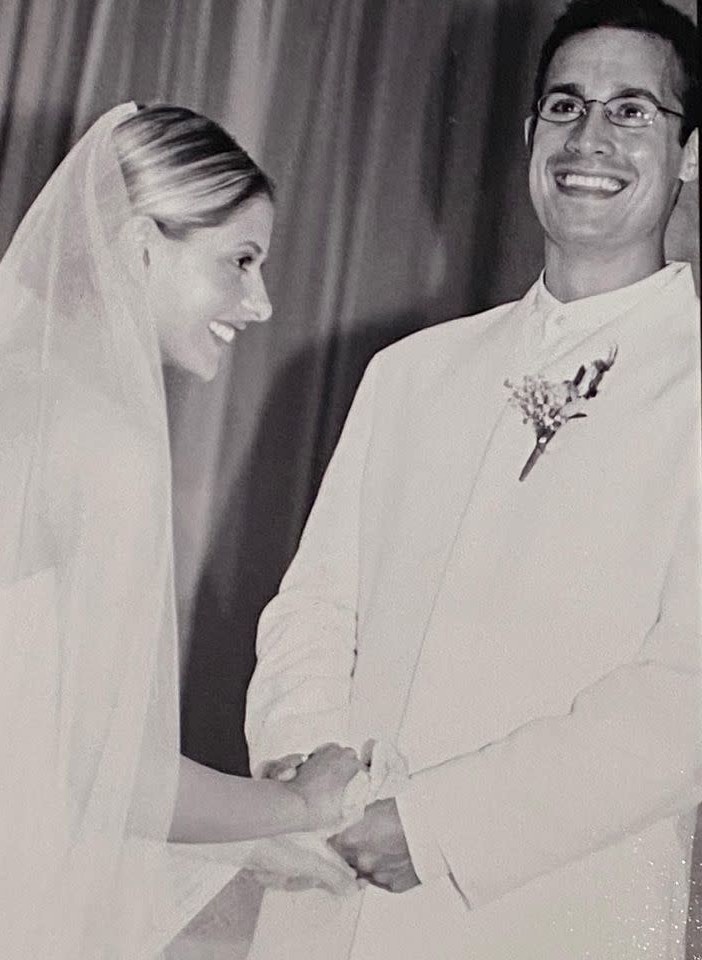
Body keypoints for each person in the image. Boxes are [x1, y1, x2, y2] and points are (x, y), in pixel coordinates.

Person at [244, 1, 701, 957]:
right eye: (565, 105)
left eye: (631, 112)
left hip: (554, 904)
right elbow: (315, 608)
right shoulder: (410, 371)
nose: (589, 138)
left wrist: (440, 829)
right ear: (530, 133)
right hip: (335, 897)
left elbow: (685, 690)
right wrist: (308, 769)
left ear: (691, 153)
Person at [0, 103, 366, 960]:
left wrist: (254, 838)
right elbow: (121, 782)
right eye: (239, 262)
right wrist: (306, 804)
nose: (262, 302)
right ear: (138, 247)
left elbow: (20, 742)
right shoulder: (102, 435)